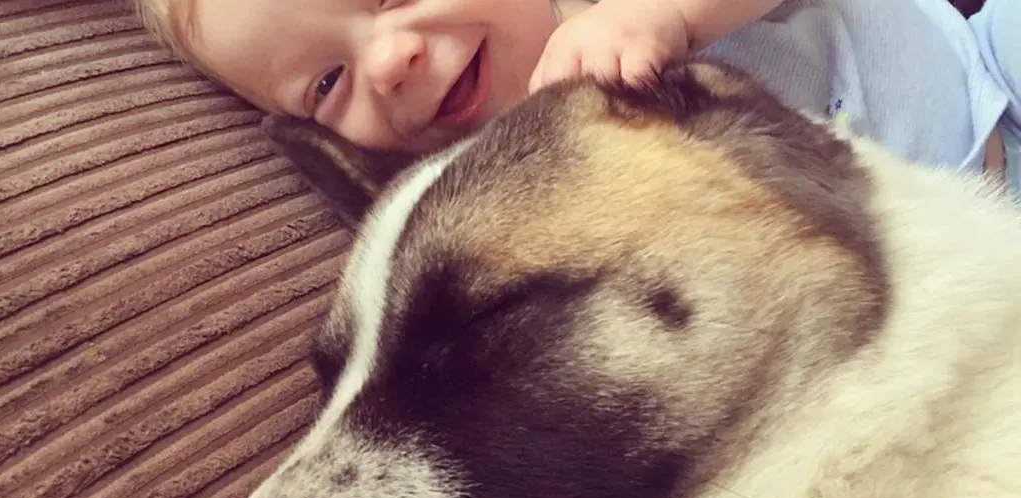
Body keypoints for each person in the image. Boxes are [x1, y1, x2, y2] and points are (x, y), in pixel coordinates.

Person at [134, 0, 1019, 192]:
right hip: (965, 243)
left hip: (986, 76)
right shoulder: (493, 182)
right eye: (328, 83)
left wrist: (665, 16)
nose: (392, 60)